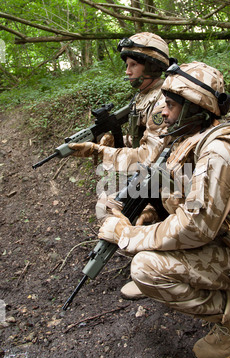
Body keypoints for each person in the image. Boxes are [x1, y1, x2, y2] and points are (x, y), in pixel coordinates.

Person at [97, 61, 230, 358]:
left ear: (193, 108)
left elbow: (195, 228)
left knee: (146, 268)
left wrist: (127, 234)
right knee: (156, 244)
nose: (164, 112)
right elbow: (181, 196)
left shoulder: (218, 152)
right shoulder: (195, 135)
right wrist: (148, 210)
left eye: (171, 106)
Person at [69, 32, 174, 299]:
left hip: (172, 180)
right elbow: (144, 140)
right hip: (157, 176)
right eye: (126, 65)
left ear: (150, 66)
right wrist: (117, 141)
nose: (126, 71)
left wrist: (99, 150)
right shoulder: (144, 96)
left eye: (132, 65)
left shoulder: (162, 100)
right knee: (112, 196)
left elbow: (150, 156)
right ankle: (147, 248)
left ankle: (153, 268)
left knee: (114, 204)